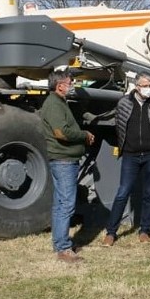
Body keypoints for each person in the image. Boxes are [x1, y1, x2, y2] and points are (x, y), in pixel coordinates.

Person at [102, 71, 150, 246]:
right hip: (130, 156)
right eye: (145, 85)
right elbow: (119, 126)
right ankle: (111, 232)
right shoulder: (124, 103)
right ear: (137, 86)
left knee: (149, 193)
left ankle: (145, 230)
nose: (148, 89)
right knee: (123, 192)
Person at [40, 69, 94, 263]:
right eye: (69, 82)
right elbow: (61, 133)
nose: (71, 85)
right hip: (63, 160)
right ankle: (63, 249)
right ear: (60, 85)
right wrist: (84, 135)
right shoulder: (54, 104)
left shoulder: (57, 102)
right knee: (66, 205)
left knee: (60, 204)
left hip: (62, 159)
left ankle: (60, 243)